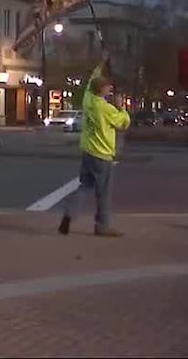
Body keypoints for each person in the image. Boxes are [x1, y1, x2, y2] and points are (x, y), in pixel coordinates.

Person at [59, 53, 129, 237]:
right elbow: (124, 123)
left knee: (84, 186)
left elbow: (92, 79)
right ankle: (102, 225)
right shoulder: (106, 109)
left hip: (88, 151)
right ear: (102, 90)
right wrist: (122, 107)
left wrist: (101, 63)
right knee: (103, 193)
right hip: (103, 154)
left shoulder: (88, 99)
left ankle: (69, 213)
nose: (110, 90)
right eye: (108, 88)